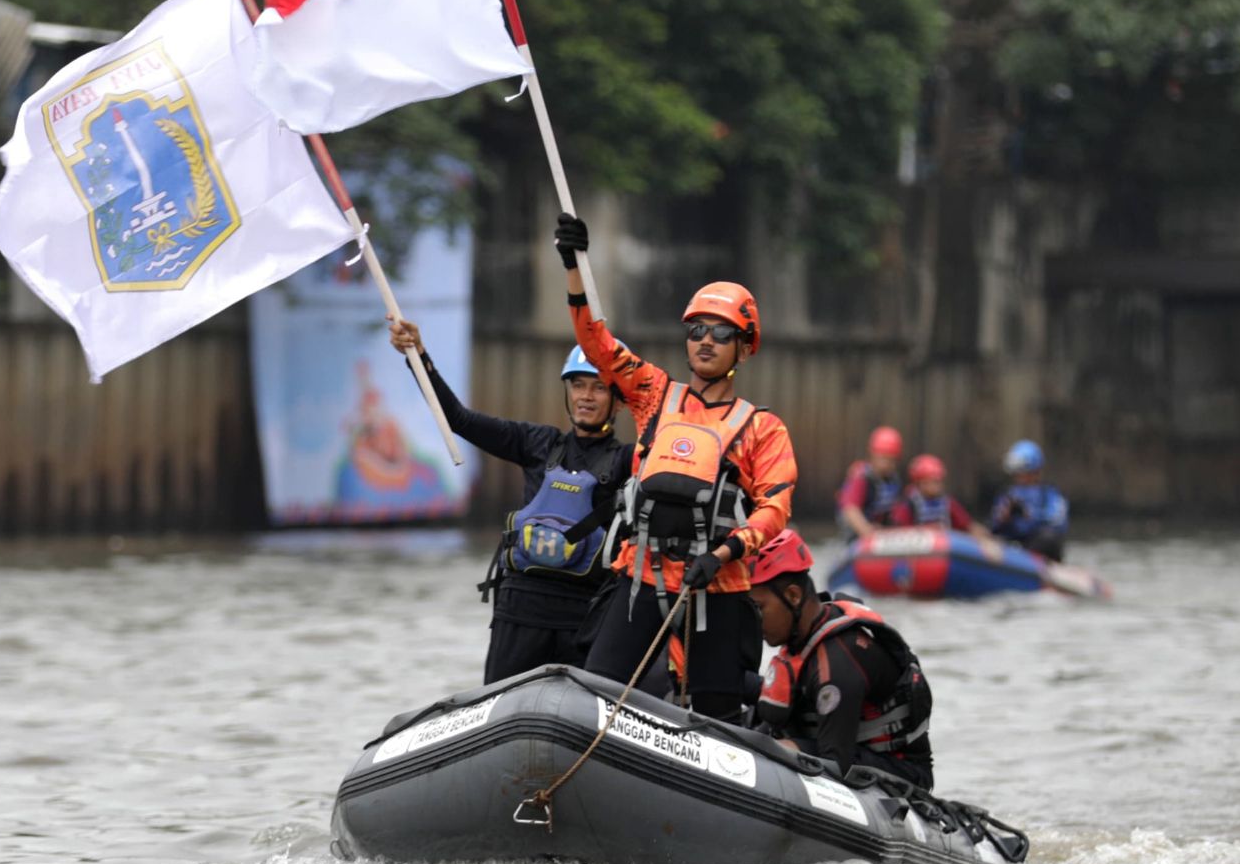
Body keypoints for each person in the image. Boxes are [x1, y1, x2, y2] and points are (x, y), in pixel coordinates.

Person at [551, 211, 797, 721]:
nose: (705, 340)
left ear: (743, 348)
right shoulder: (652, 394)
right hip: (641, 577)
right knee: (593, 694)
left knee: (715, 717)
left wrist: (729, 550)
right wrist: (574, 266)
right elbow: (596, 341)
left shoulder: (762, 428)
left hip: (717, 586)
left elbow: (775, 509)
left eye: (721, 333)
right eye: (697, 330)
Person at [386, 316, 630, 684]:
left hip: (584, 610)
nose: (585, 397)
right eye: (578, 385)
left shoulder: (631, 461)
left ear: (620, 401)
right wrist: (418, 356)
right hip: (521, 606)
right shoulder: (537, 442)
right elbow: (458, 419)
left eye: (598, 388)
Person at [747, 529, 934, 789]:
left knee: (776, 750)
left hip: (900, 772)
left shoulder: (836, 663)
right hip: (846, 748)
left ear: (793, 596)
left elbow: (834, 766)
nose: (754, 621)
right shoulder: (806, 636)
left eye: (759, 608)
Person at [988, 439, 1070, 561]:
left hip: (1038, 544)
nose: (1020, 477)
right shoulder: (1008, 495)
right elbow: (994, 524)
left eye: (1023, 472)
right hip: (1013, 544)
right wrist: (1003, 518)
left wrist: (1029, 515)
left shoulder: (1049, 494)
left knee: (1048, 538)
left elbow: (1058, 522)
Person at [836, 426, 907, 538]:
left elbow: (898, 510)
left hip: (882, 531)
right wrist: (867, 531)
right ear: (872, 456)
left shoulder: (894, 480)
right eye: (882, 458)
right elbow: (850, 510)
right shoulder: (861, 478)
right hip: (859, 534)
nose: (886, 464)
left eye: (891, 460)